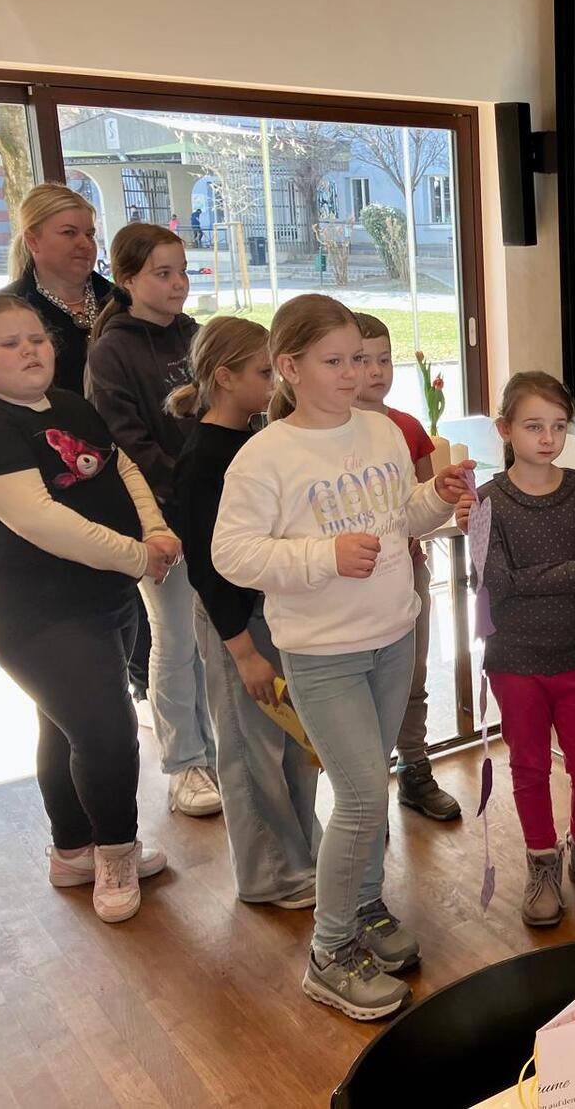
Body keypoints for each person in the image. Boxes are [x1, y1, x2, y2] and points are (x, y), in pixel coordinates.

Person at [212, 294, 472, 1021]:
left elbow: (399, 516)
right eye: (335, 361)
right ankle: (328, 952)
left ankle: (363, 905)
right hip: (322, 654)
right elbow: (231, 554)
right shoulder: (266, 455)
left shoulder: (381, 431)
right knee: (361, 797)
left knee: (372, 785)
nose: (355, 372)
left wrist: (436, 496)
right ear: (290, 367)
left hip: (392, 635)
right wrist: (323, 556)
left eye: (359, 357)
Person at [0, 293, 175, 923]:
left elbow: (124, 470)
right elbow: (44, 522)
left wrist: (155, 530)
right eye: (9, 343)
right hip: (36, 612)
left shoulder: (70, 405)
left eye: (37, 339)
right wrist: (137, 556)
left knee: (65, 725)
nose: (30, 351)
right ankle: (116, 855)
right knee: (106, 732)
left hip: (104, 598)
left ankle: (73, 850)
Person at [454, 371, 575, 927]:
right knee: (529, 766)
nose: (548, 438)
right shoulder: (486, 501)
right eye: (534, 426)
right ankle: (541, 861)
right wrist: (554, 574)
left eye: (559, 425)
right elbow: (492, 581)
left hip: (574, 653)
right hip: (513, 660)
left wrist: (524, 577)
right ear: (505, 429)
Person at [168, 316, 320, 907]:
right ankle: (270, 873)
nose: (274, 383)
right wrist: (243, 652)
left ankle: (303, 852)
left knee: (293, 744)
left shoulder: (257, 441)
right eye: (264, 372)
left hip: (269, 617)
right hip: (235, 625)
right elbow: (208, 569)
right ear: (225, 377)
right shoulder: (203, 459)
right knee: (251, 751)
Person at [86, 223, 219, 816]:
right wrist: (182, 494)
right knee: (174, 637)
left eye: (182, 271)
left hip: (213, 507)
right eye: (163, 274)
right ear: (127, 279)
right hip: (160, 515)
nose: (178, 284)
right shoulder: (112, 351)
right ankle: (184, 762)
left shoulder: (196, 336)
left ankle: (215, 749)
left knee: (214, 634)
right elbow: (126, 443)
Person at [354, 313, 460, 820]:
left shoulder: (409, 427)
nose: (376, 371)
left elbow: (424, 502)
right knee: (361, 687)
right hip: (352, 581)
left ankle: (414, 768)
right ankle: (366, 791)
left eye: (384, 359)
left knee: (412, 677)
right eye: (362, 360)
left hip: (407, 571)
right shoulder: (327, 432)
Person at [2, 183, 114, 394]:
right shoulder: (4, 312)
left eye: (90, 234)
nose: (85, 244)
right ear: (33, 241)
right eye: (69, 233)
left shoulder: (121, 300)